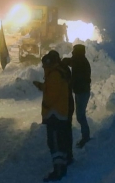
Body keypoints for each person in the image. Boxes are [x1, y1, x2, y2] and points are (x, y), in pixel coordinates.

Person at [32, 51, 71, 181]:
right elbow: (52, 88)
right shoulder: (57, 72)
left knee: (55, 143)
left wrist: (46, 104)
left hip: (55, 114)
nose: (43, 68)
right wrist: (41, 86)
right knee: (60, 141)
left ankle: (58, 171)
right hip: (60, 114)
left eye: (44, 66)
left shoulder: (54, 74)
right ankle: (62, 166)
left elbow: (53, 94)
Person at [62, 44, 91, 148]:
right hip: (80, 92)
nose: (72, 53)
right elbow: (71, 61)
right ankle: (85, 136)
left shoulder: (82, 63)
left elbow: (78, 79)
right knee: (80, 115)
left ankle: (86, 137)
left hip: (83, 92)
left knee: (80, 115)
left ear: (78, 52)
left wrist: (68, 83)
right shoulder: (80, 60)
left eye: (74, 51)